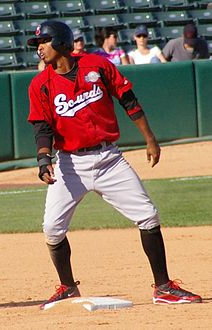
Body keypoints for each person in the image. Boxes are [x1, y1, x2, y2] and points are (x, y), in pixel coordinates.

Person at [27, 20, 202, 310]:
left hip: (110, 160)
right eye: (37, 45)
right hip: (71, 164)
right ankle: (68, 287)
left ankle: (163, 287)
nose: (39, 49)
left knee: (148, 216)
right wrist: (44, 158)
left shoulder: (96, 65)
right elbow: (42, 127)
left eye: (43, 43)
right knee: (52, 229)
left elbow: (128, 100)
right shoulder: (39, 84)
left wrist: (150, 138)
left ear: (60, 42)